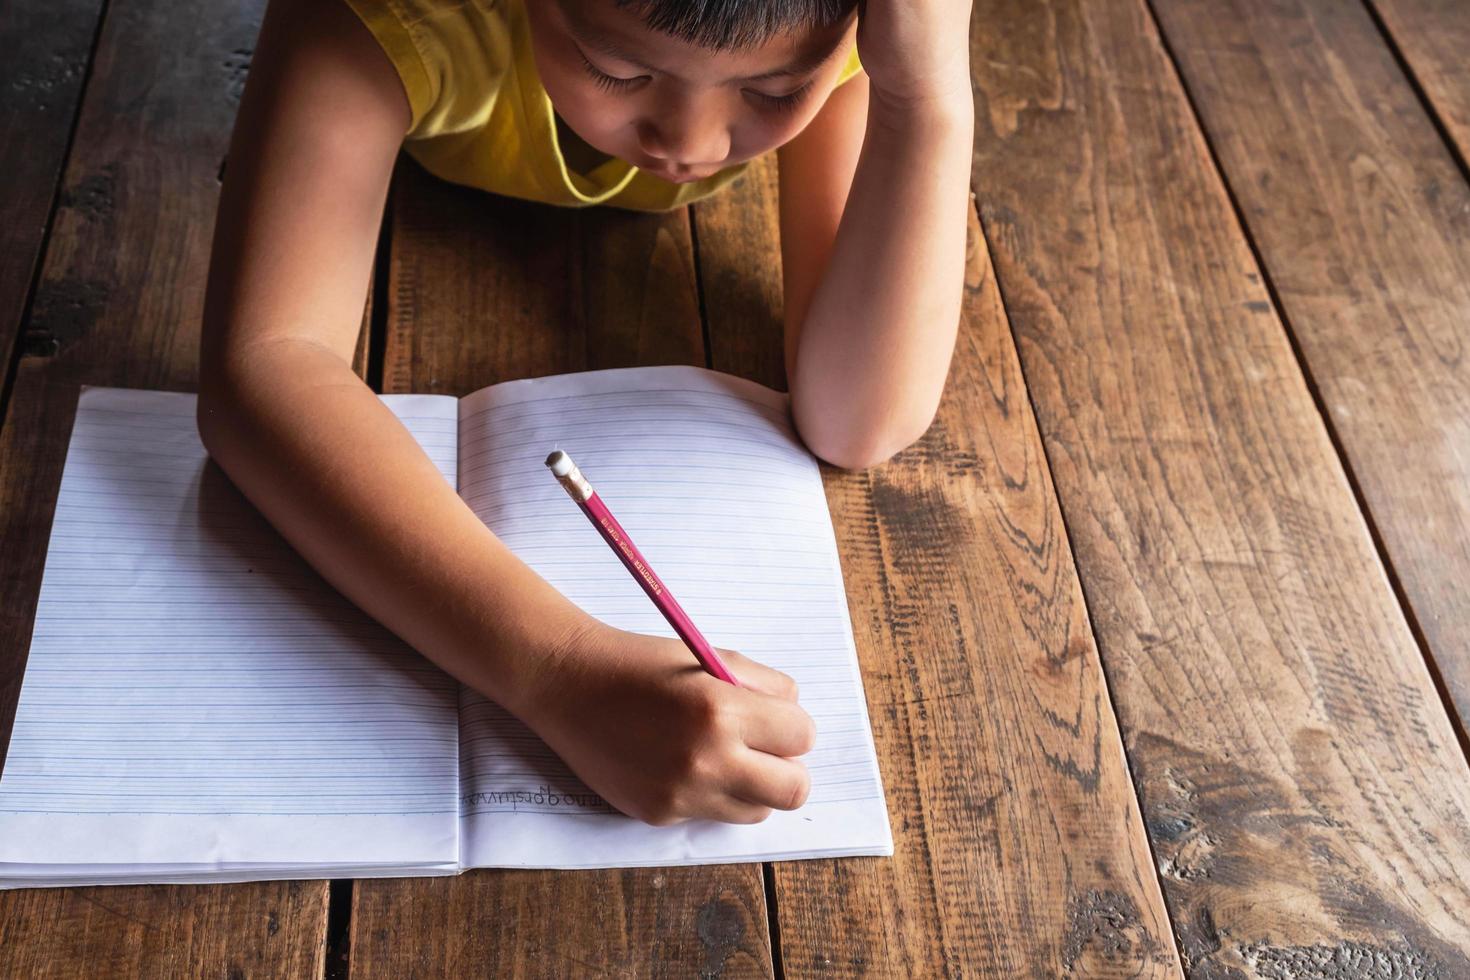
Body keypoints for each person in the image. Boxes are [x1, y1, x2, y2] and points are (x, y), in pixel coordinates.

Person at [196, 0, 974, 826]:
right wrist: (557, 672)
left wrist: (924, 98)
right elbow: (264, 364)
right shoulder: (384, 16)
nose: (692, 142)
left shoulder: (854, 33)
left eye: (776, 91)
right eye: (620, 70)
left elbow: (858, 421)